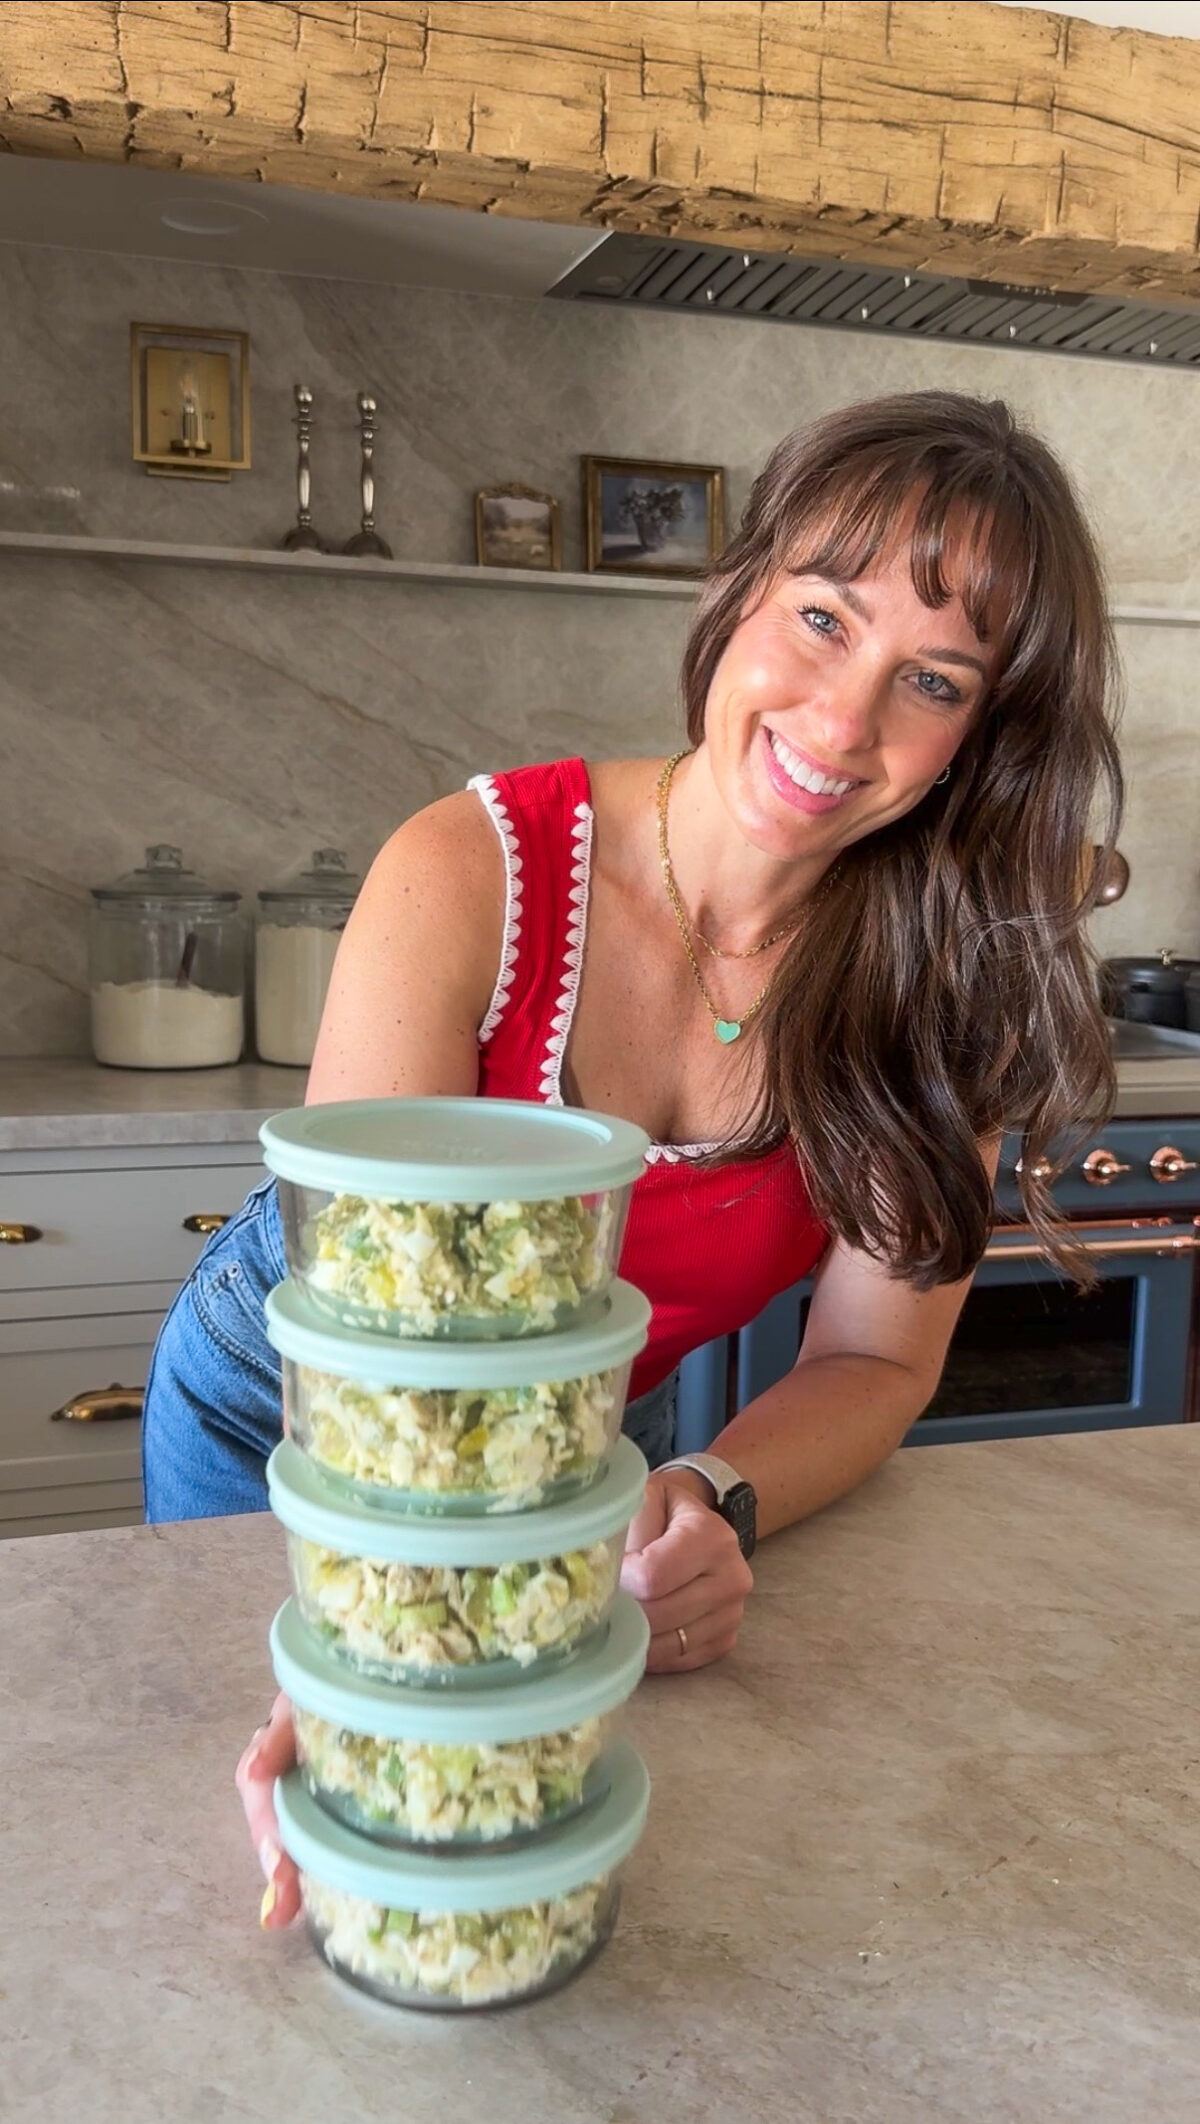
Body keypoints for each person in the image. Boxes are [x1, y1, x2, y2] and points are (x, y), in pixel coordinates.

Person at [142, 390, 1121, 1928]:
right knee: (277, 1846)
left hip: (590, 1435)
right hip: (301, 1405)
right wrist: (403, 1674)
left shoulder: (941, 977)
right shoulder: (469, 873)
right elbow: (382, 1370)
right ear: (734, 599)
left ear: (978, 742)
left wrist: (704, 1495)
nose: (842, 720)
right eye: (819, 616)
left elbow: (875, 1360)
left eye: (930, 680)